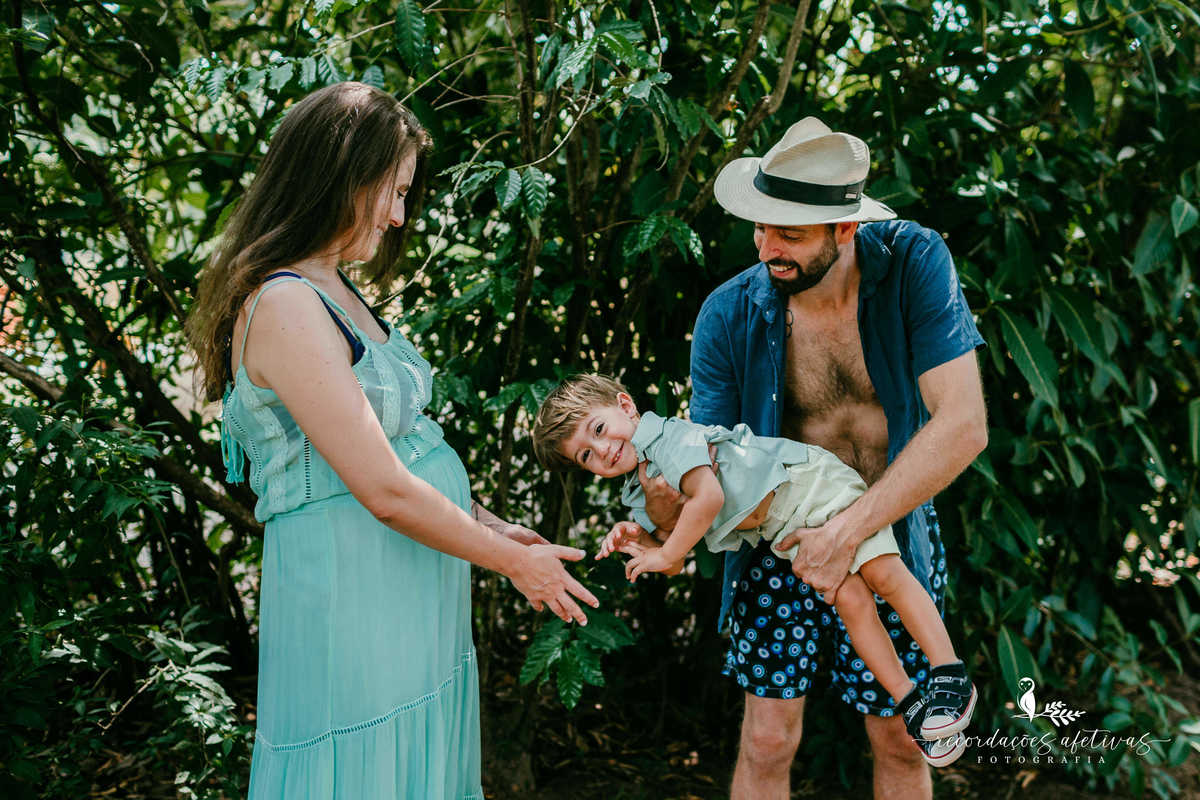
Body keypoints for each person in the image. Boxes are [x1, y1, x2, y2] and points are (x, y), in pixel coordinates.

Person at [185, 81, 598, 799]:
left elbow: (400, 446)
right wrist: (510, 564)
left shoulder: (333, 286)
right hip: (354, 592)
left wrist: (489, 524)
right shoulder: (286, 303)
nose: (401, 214)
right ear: (344, 177)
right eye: (394, 191)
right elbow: (376, 486)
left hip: (410, 583)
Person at [638, 117, 988, 798]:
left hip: (889, 532)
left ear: (846, 230)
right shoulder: (726, 315)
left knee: (901, 736)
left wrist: (844, 534)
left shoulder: (915, 262)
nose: (767, 248)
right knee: (768, 740)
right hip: (777, 545)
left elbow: (964, 427)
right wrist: (658, 510)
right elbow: (708, 475)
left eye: (790, 234)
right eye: (760, 227)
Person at [531, 374, 975, 766]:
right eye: (586, 455)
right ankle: (911, 702)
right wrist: (638, 540)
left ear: (626, 406)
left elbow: (707, 500)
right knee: (852, 602)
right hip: (788, 521)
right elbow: (672, 553)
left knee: (882, 575)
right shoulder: (637, 486)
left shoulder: (669, 438)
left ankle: (948, 671)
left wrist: (664, 553)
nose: (603, 451)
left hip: (812, 485)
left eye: (599, 430)